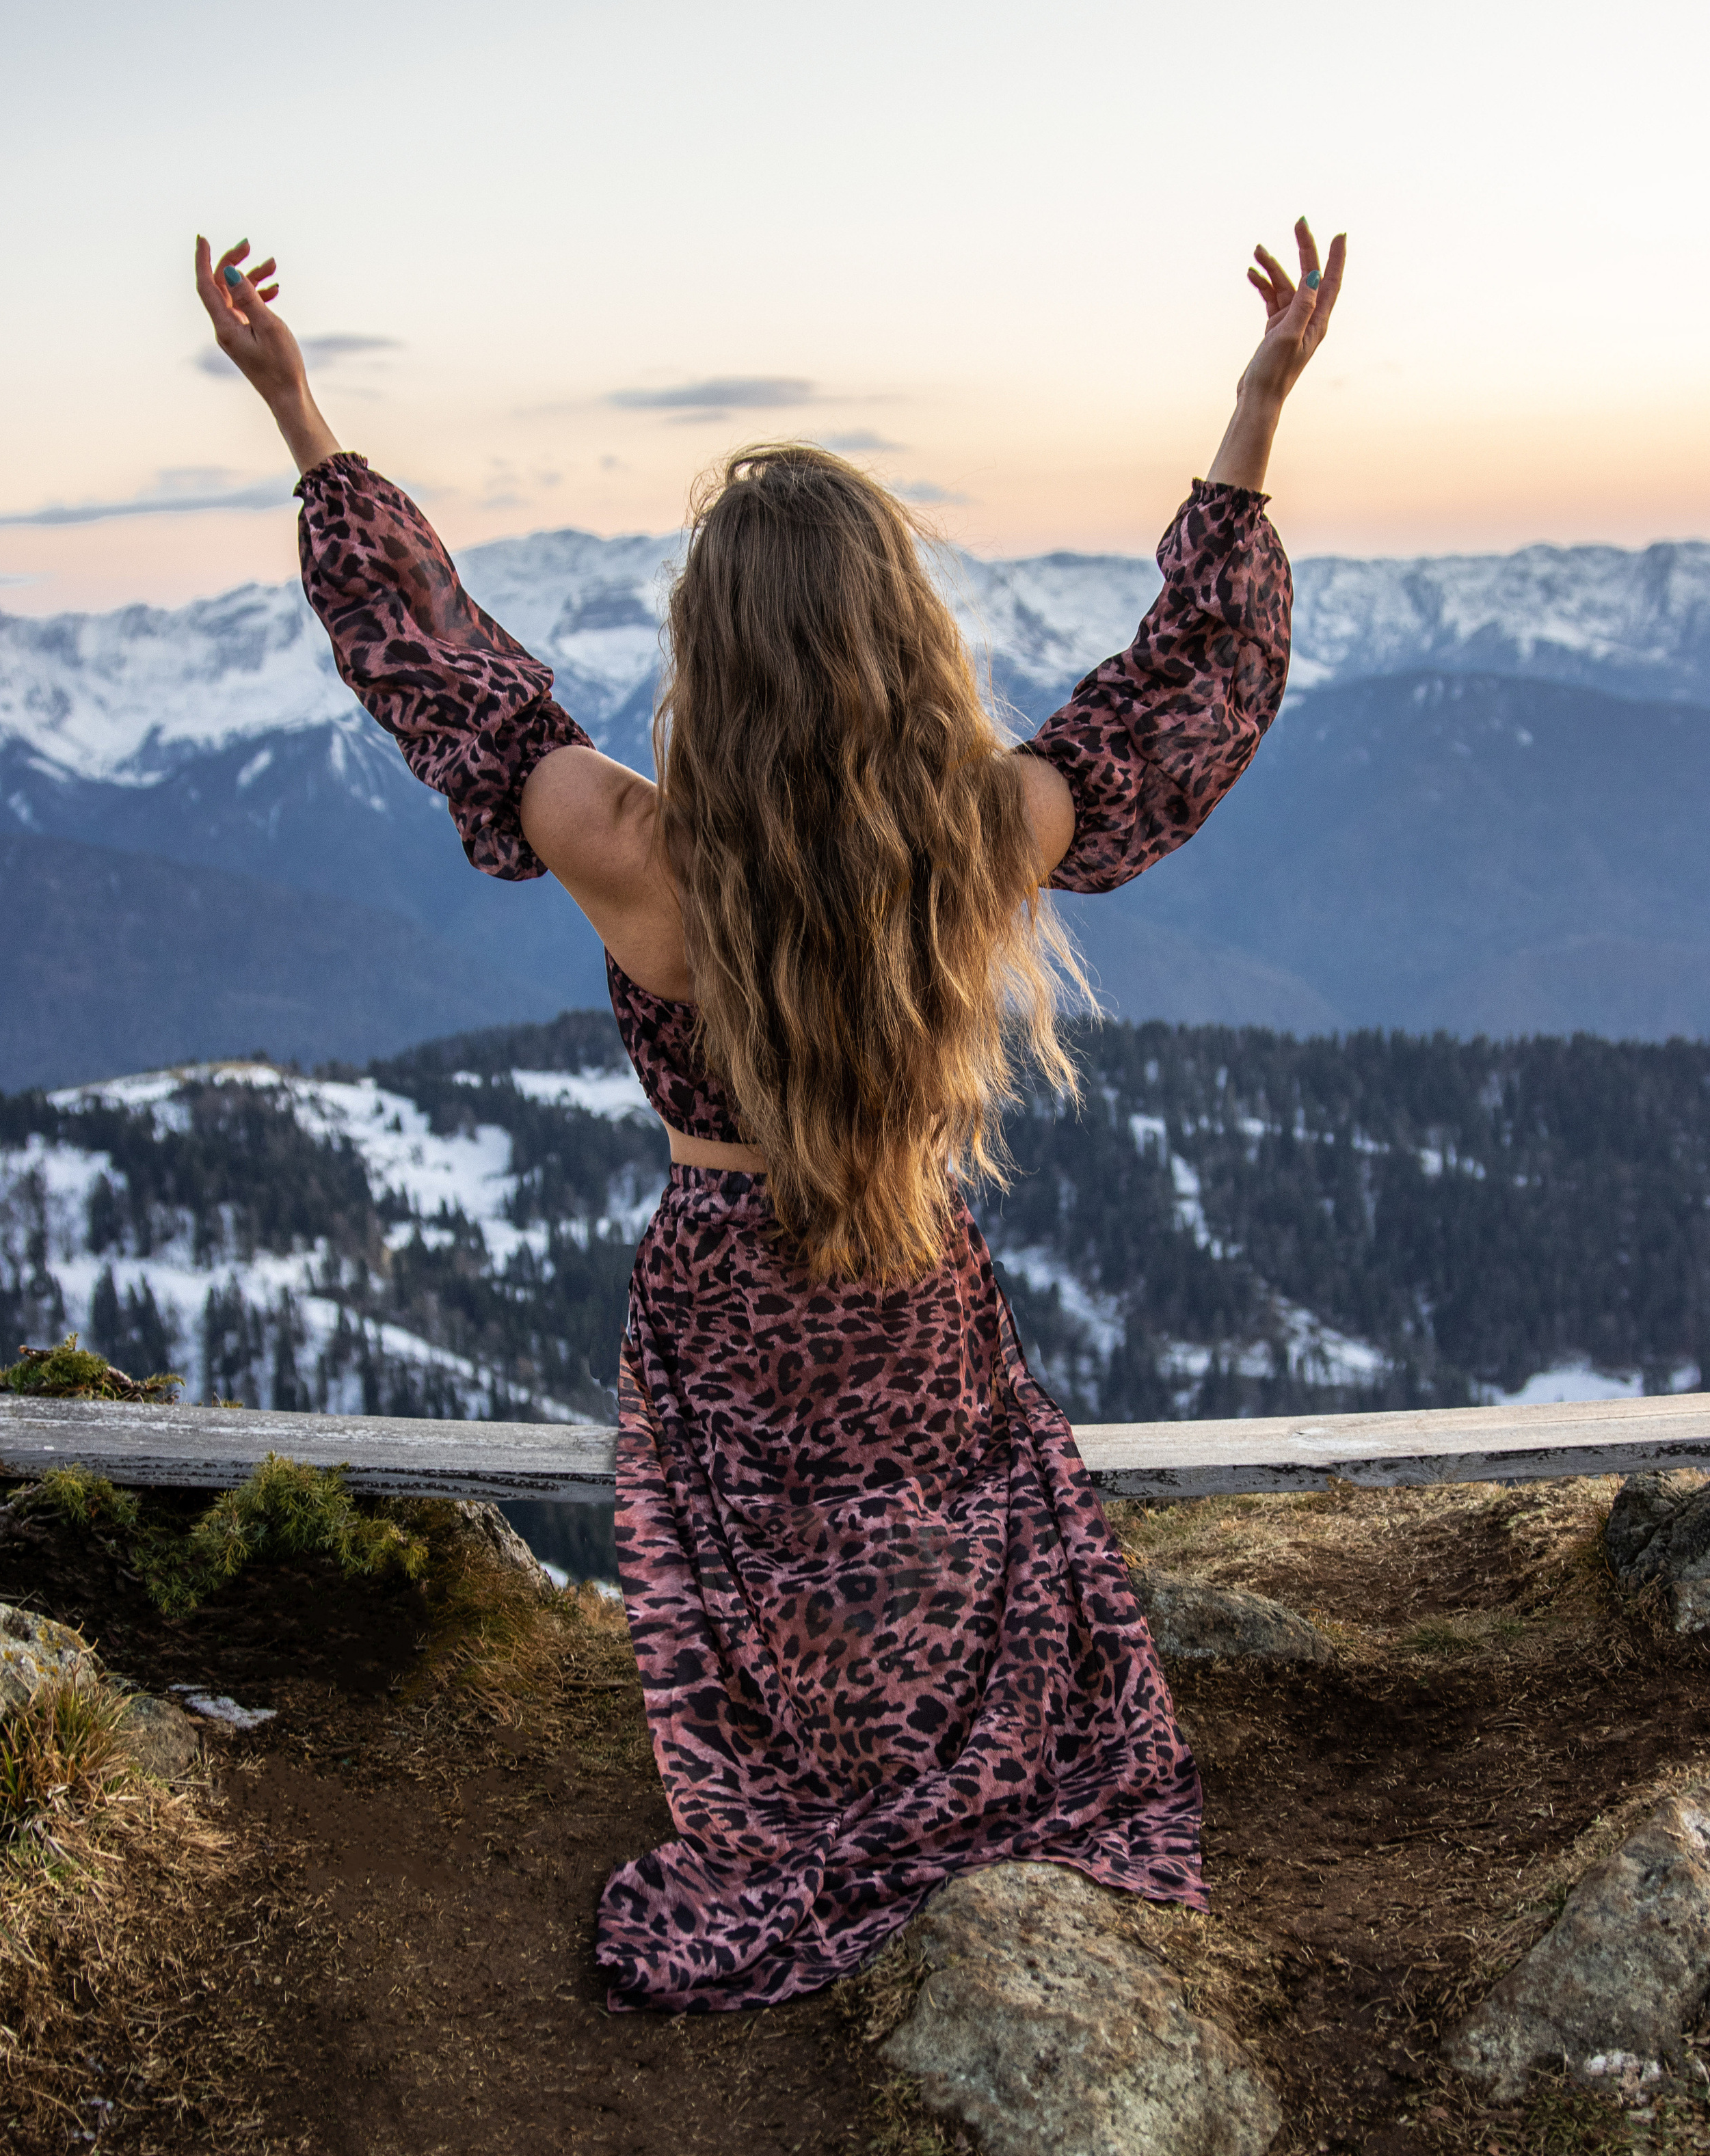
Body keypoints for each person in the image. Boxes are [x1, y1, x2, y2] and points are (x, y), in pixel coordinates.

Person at [194, 219, 1345, 2012]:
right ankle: (950, 1787)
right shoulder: (984, 837)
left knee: (775, 1571)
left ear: (709, 655)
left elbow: (430, 659)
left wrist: (297, 406)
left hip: (726, 1294)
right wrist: (1261, 398)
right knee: (950, 1538)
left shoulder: (628, 848)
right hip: (905, 1269)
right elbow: (1196, 682)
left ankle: (819, 1787)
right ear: (902, 638)